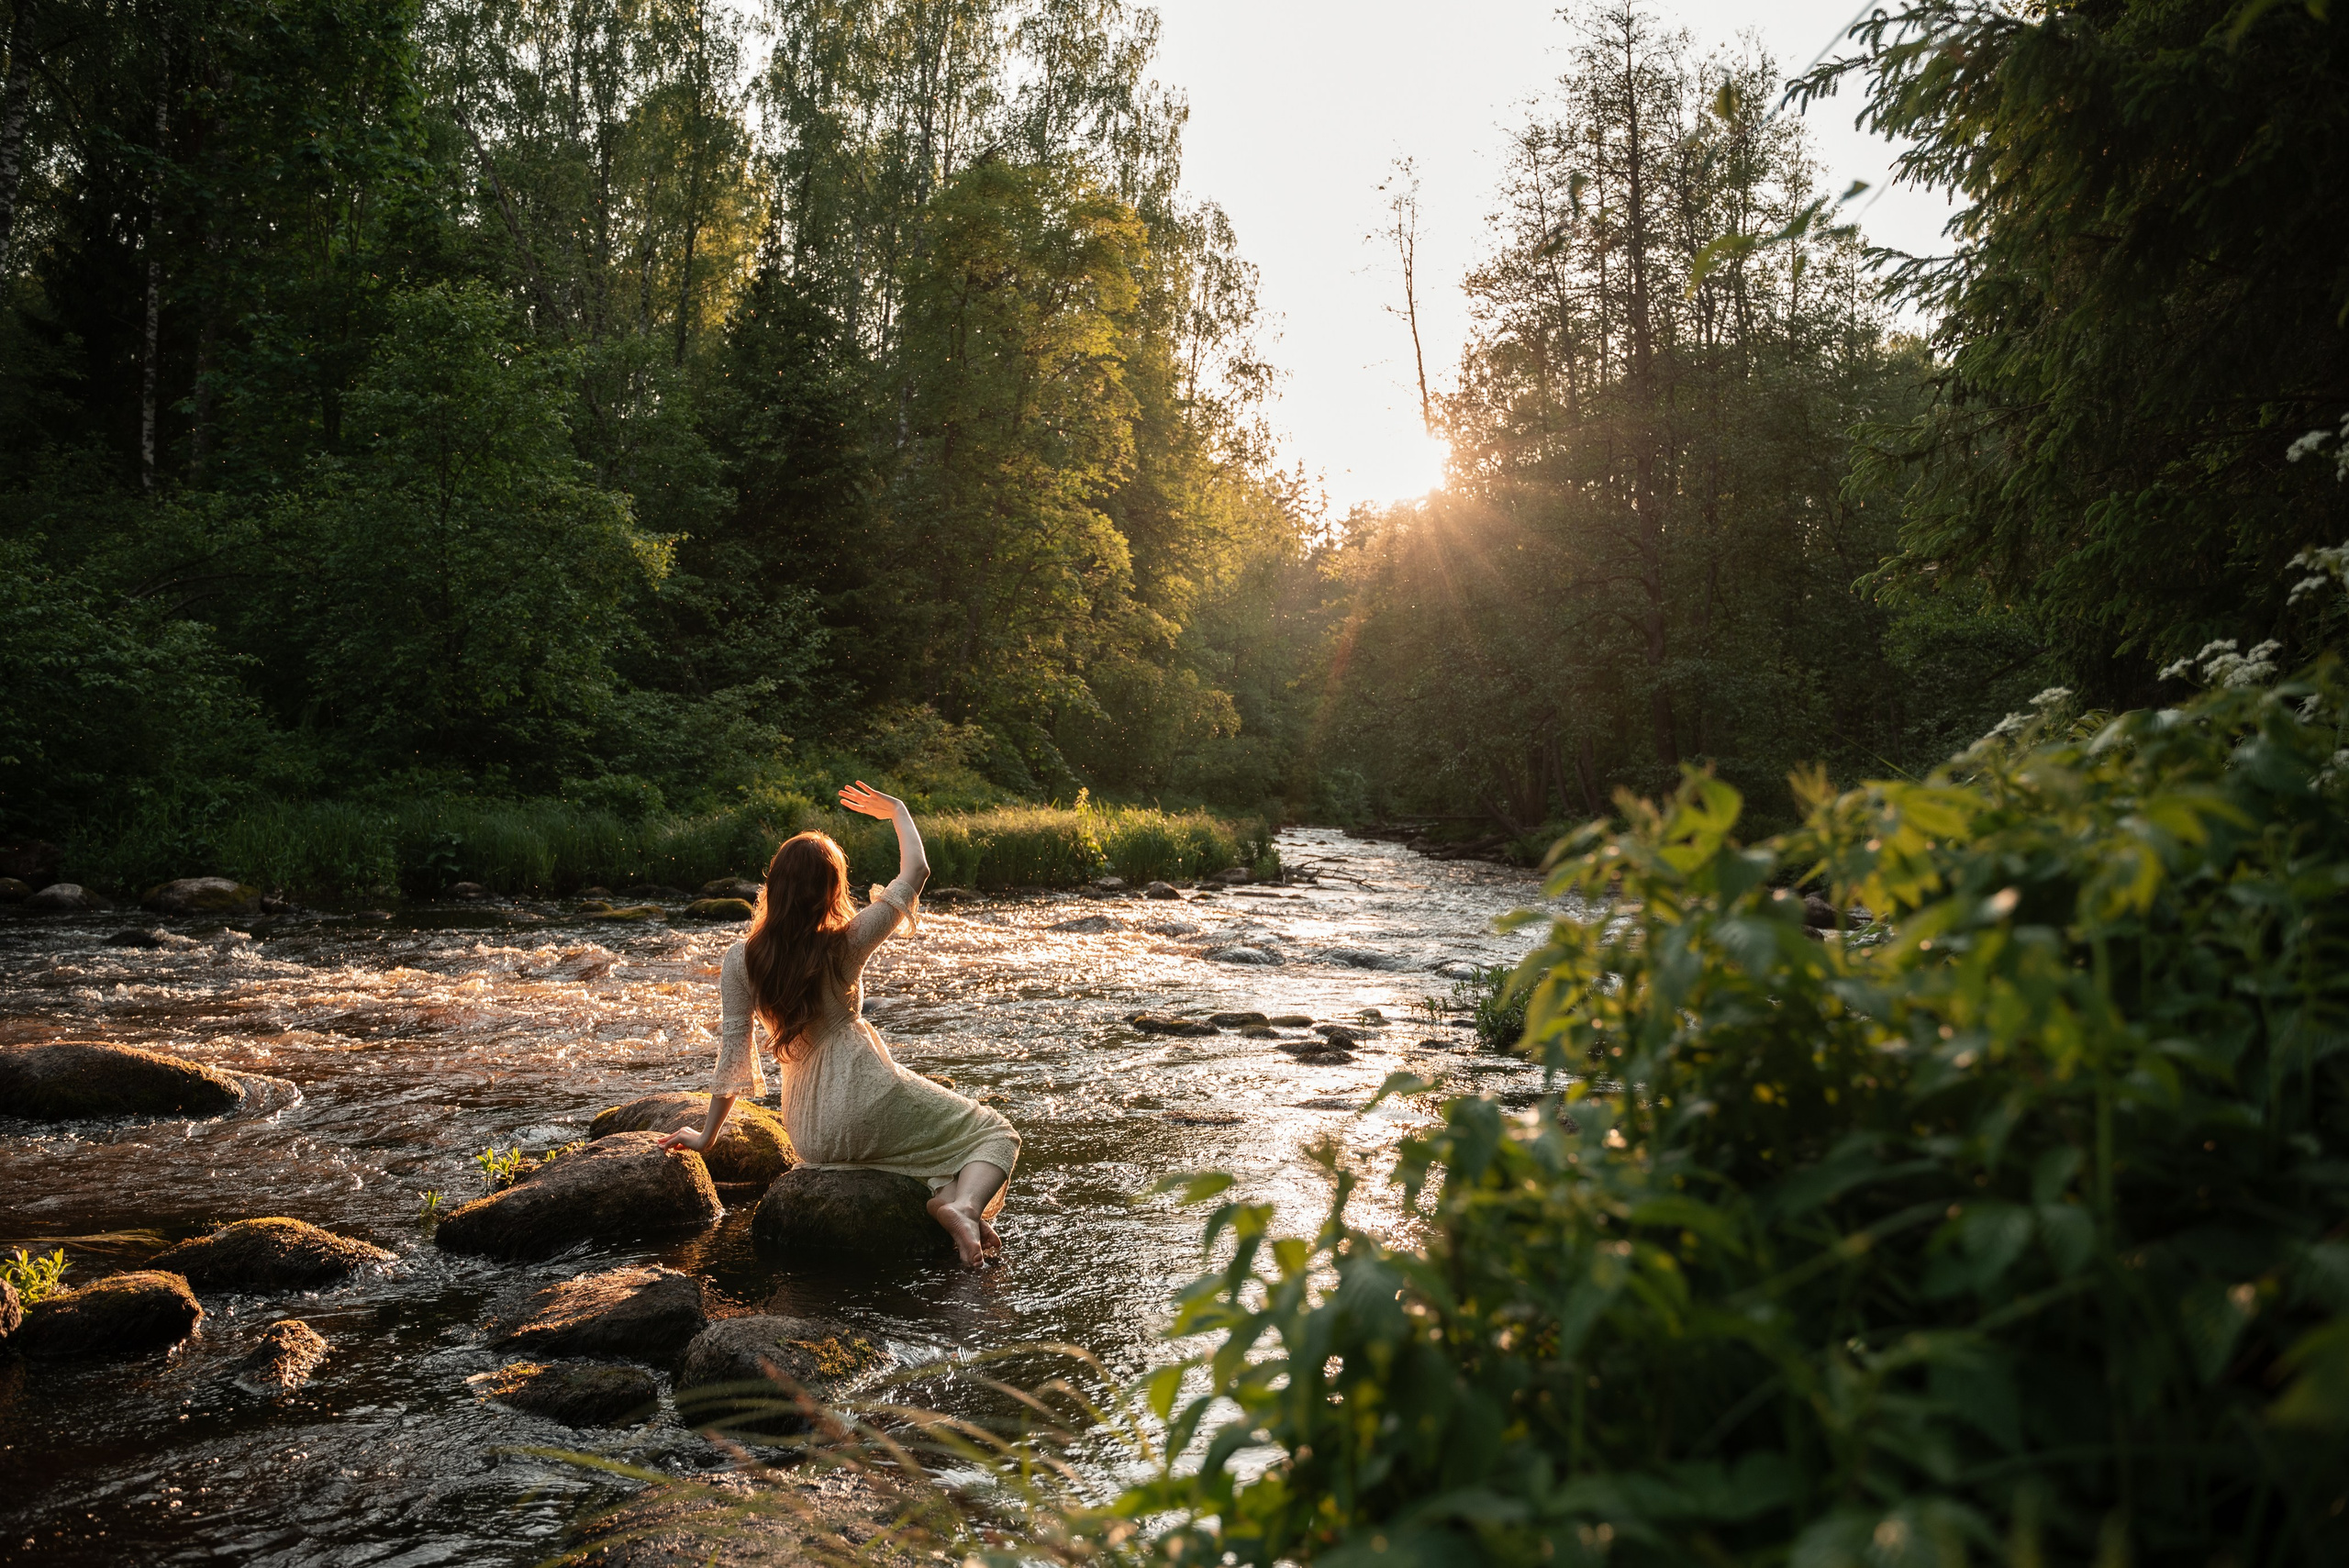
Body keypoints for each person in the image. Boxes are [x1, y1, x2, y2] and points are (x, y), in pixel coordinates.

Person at [659, 782, 1018, 1265]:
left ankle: (944, 1201)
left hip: (808, 1130)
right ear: (832, 888)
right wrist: (898, 810)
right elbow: (916, 871)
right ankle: (965, 1205)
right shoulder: (844, 942)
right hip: (866, 1094)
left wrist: (706, 1137)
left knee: (926, 1148)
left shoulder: (740, 959)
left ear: (774, 886)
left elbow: (732, 1055)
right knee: (993, 1132)